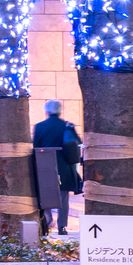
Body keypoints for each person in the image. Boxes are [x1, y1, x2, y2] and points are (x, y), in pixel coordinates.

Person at [32, 99, 83, 236]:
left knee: (46, 195)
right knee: (63, 197)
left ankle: (48, 222)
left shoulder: (39, 127)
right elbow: (77, 143)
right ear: (60, 111)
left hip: (45, 165)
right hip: (64, 166)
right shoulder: (67, 126)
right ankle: (62, 227)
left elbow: (35, 147)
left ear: (46, 111)